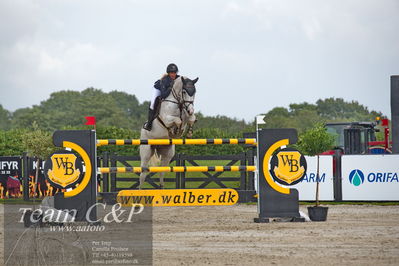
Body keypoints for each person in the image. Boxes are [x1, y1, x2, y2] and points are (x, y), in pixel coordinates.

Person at [143, 63, 180, 131]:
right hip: (158, 90)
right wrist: (170, 88)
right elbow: (163, 95)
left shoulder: (178, 78)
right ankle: (149, 123)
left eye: (175, 72)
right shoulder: (164, 80)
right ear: (168, 73)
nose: (173, 74)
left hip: (168, 91)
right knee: (152, 104)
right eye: (171, 72)